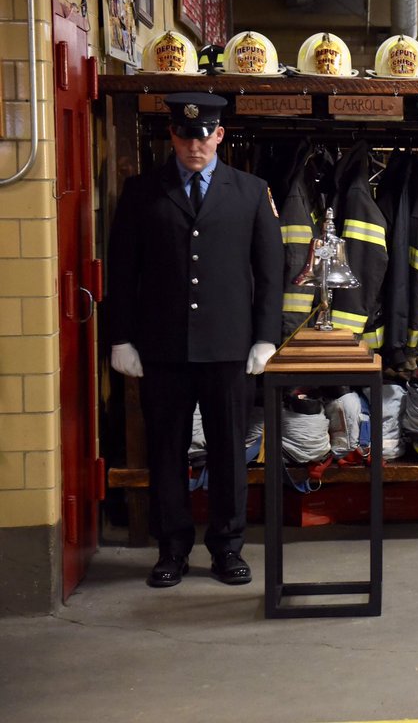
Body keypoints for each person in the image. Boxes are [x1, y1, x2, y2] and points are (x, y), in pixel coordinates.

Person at [107, 92, 284, 588]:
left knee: (229, 451)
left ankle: (228, 548)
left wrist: (266, 337)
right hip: (163, 348)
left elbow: (271, 272)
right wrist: (121, 338)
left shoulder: (250, 191)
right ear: (173, 136)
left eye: (205, 134)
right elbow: (122, 274)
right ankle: (172, 548)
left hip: (229, 347)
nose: (195, 144)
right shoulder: (142, 192)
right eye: (186, 135)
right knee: (167, 450)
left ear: (220, 135)